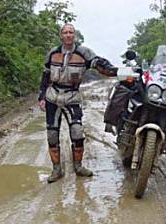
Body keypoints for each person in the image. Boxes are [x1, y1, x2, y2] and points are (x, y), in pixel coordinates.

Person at [38, 23, 118, 183]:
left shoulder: (84, 53)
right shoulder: (52, 53)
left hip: (72, 97)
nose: (68, 35)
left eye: (71, 32)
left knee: (77, 133)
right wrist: (41, 97)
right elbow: (45, 75)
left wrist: (116, 71)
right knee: (52, 135)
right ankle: (56, 170)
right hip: (52, 97)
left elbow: (99, 64)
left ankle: (78, 166)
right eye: (65, 32)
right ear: (61, 35)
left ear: (74, 35)